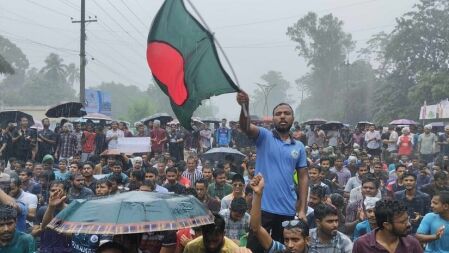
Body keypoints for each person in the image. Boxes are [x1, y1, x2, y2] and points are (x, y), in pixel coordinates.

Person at [237, 92, 308, 253]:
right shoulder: (264, 136)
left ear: (293, 118)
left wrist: (302, 209)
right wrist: (244, 106)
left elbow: (303, 177)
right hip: (262, 208)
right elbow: (245, 127)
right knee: (254, 249)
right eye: (278, 114)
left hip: (288, 210)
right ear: (273, 118)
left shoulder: (299, 147)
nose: (282, 116)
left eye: (286, 113)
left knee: (284, 250)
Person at [249, 174, 312, 253]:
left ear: (307, 240)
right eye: (286, 240)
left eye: (295, 240)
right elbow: (256, 228)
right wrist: (258, 194)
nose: (290, 245)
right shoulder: (281, 250)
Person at [352, 199, 423, 253]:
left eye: (407, 219)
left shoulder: (412, 244)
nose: (408, 224)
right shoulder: (362, 244)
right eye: (402, 222)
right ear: (387, 225)